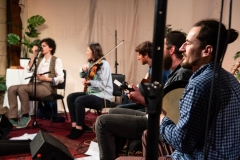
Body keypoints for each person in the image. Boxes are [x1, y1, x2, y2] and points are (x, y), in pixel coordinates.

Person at [117, 19, 240, 160]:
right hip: (220, 153)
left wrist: (160, 116)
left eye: (187, 43)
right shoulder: (230, 78)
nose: (182, 48)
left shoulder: (199, 84)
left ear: (207, 51)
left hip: (199, 156)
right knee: (148, 135)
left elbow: (182, 143)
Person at [95, 31, 192, 160]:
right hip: (156, 116)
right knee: (113, 110)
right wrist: (141, 94)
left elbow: (171, 113)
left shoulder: (181, 74)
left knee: (102, 122)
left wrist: (141, 99)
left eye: (161, 47)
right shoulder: (175, 72)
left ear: (172, 50)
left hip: (161, 122)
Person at [8, 38, 64, 129]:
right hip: (35, 85)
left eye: (44, 46)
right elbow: (29, 69)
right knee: (11, 89)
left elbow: (61, 78)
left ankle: (25, 115)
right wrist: (34, 54)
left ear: (51, 48)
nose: (41, 47)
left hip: (47, 87)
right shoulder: (39, 59)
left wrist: (46, 78)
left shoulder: (56, 60)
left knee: (22, 88)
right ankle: (12, 117)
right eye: (41, 46)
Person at [66, 42, 113, 139]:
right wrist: (83, 70)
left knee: (79, 100)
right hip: (91, 93)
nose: (86, 52)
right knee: (71, 97)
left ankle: (79, 128)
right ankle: (74, 125)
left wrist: (90, 83)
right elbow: (82, 75)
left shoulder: (104, 64)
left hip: (102, 95)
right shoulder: (91, 63)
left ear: (94, 51)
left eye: (88, 50)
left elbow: (103, 85)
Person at [117, 41, 171, 111]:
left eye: (139, 55)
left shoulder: (159, 70)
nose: (138, 58)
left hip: (155, 107)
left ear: (146, 55)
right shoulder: (151, 67)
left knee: (119, 110)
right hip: (148, 103)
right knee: (120, 106)